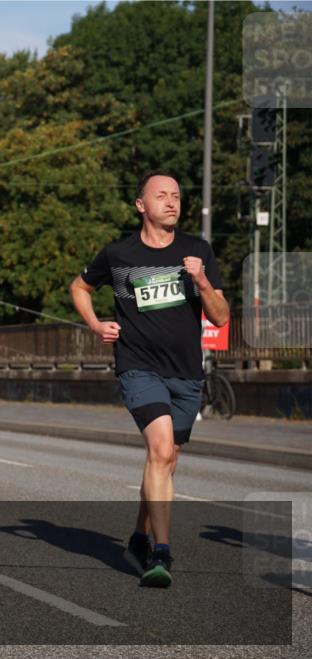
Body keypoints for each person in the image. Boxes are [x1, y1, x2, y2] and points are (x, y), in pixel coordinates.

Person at [70, 169, 228, 588]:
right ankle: (161, 551)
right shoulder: (119, 254)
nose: (172, 202)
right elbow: (80, 287)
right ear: (142, 205)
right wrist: (94, 325)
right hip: (138, 366)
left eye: (176, 195)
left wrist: (201, 280)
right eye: (161, 195)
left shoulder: (197, 251)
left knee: (166, 460)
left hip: (187, 373)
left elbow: (221, 315)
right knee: (159, 449)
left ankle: (139, 535)